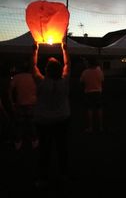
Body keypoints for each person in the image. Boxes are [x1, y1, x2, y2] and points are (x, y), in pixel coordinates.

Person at [32, 41, 71, 187]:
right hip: (62, 119)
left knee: (44, 149)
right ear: (60, 69)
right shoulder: (65, 82)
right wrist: (64, 49)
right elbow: (68, 65)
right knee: (62, 148)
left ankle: (43, 179)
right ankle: (64, 175)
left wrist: (35, 50)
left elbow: (33, 67)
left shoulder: (41, 83)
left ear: (46, 70)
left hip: (43, 121)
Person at [10, 61, 38, 150]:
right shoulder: (34, 77)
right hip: (32, 104)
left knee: (19, 124)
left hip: (20, 103)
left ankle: (18, 142)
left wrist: (12, 102)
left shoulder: (16, 77)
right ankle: (34, 141)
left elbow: (10, 90)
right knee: (32, 124)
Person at [80, 57, 104, 133]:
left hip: (88, 92)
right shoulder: (99, 72)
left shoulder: (85, 72)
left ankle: (90, 127)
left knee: (90, 109)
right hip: (98, 92)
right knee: (99, 109)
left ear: (89, 64)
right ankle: (100, 127)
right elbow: (102, 80)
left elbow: (81, 81)